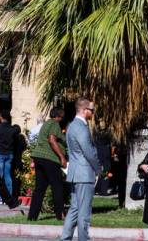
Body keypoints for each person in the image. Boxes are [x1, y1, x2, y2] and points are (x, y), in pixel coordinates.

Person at [60, 97, 101, 241]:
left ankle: (65, 238)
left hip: (75, 173)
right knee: (84, 212)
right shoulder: (81, 127)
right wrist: (98, 169)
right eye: (92, 110)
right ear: (84, 111)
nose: (93, 113)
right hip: (84, 174)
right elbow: (88, 151)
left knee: (75, 209)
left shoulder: (72, 125)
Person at [28, 107, 67, 221]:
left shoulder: (46, 123)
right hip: (49, 158)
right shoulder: (55, 124)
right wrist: (62, 157)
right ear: (59, 115)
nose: (63, 117)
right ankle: (61, 214)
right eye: (62, 115)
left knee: (39, 189)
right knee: (57, 187)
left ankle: (32, 216)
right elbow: (51, 139)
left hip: (39, 157)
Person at [0, 111, 18, 204]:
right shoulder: (12, 129)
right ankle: (8, 197)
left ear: (1, 117)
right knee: (8, 176)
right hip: (9, 153)